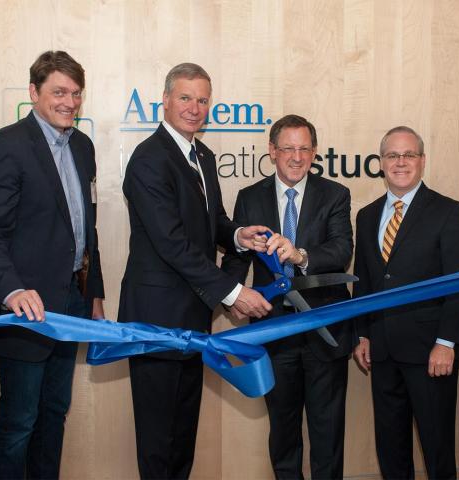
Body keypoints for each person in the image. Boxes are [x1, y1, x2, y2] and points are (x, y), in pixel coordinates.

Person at [119, 62, 273, 479]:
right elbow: (172, 243)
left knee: (183, 427)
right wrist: (234, 292)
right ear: (165, 101)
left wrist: (239, 235)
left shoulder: (202, 154)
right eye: (185, 98)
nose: (194, 108)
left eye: (202, 100)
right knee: (158, 434)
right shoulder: (149, 159)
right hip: (156, 318)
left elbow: (213, 223)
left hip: (193, 315)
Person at [0, 50, 105, 479]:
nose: (69, 102)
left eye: (76, 94)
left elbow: (88, 227)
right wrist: (11, 292)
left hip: (70, 300)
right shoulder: (5, 146)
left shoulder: (83, 146)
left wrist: (94, 292)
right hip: (25, 309)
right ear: (34, 92)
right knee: (19, 422)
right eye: (59, 92)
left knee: (55, 411)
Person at [221, 114, 354, 479]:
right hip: (274, 330)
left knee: (328, 434)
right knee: (282, 431)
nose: (296, 157)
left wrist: (301, 255)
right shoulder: (249, 198)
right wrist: (232, 298)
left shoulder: (336, 194)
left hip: (325, 330)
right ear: (271, 151)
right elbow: (238, 256)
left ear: (314, 152)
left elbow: (342, 249)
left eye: (304, 149)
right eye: (287, 149)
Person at [352, 126, 459, 479]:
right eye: (392, 155)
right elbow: (364, 279)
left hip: (430, 353)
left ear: (422, 161)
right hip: (383, 349)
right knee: (390, 448)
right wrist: (363, 334)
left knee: (437, 449)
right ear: (380, 163)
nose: (400, 162)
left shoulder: (449, 212)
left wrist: (446, 342)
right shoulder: (367, 215)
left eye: (408, 155)